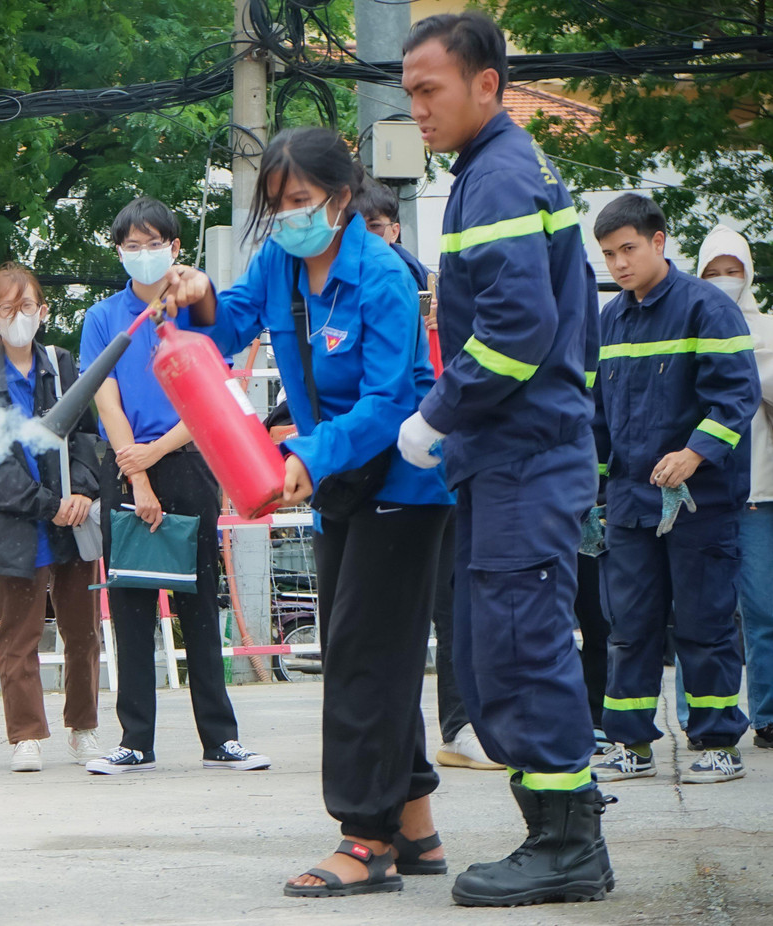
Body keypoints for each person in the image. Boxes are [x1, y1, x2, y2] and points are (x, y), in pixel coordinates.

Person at [165, 128, 453, 898]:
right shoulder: (280, 263)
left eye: (300, 202)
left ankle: (365, 837)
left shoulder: (383, 277)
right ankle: (417, 829)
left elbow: (392, 401)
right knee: (372, 655)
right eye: (276, 204)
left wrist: (307, 455)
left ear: (341, 198)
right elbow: (228, 327)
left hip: (404, 489)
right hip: (337, 491)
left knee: (363, 660)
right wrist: (198, 298)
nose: (287, 216)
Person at [395, 12, 614, 907]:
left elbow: (520, 330)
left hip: (523, 453)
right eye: (408, 93)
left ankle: (566, 844)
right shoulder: (500, 171)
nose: (416, 109)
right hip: (518, 452)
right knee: (504, 648)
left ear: (486, 84)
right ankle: (556, 830)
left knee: (524, 649)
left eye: (428, 90)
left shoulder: (495, 181)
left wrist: (434, 415)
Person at [79, 196, 269, 775]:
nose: (142, 255)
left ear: (176, 247)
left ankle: (220, 736)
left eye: (153, 243)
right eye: (130, 246)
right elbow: (104, 394)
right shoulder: (104, 317)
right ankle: (135, 738)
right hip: (125, 464)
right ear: (118, 252)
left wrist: (158, 452)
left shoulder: (197, 312)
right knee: (130, 601)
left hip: (187, 457)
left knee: (197, 601)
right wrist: (135, 471)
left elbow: (212, 392)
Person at [589, 195, 759, 784]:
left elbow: (735, 397)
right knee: (629, 625)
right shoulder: (610, 320)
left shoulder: (707, 309)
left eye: (628, 249)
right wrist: (595, 489)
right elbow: (599, 417)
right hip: (633, 505)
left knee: (705, 622)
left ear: (660, 242)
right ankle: (630, 744)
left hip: (701, 502)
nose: (619, 264)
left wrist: (694, 453)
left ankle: (716, 743)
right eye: (609, 254)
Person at [355, 181, 500, 773]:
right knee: (390, 621)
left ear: (395, 229)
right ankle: (390, 736)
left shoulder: (438, 296)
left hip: (446, 473)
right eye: (361, 231)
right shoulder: (343, 297)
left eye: (383, 228)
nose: (375, 241)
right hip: (376, 480)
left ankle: (462, 725)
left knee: (456, 603)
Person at [0, 263, 103, 772]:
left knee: (82, 632)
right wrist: (48, 504)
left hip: (73, 523)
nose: (17, 317)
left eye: (26, 306)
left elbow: (90, 436)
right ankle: (25, 735)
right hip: (16, 524)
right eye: (6, 308)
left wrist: (81, 492)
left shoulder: (63, 365)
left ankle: (83, 728)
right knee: (18, 636)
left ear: (42, 310)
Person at [697, 225, 773, 751]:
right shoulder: (687, 323)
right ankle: (695, 716)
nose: (724, 282)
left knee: (764, 610)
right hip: (701, 488)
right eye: (713, 272)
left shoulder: (765, 329)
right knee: (701, 611)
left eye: (733, 272)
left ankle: (767, 714)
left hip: (758, 492)